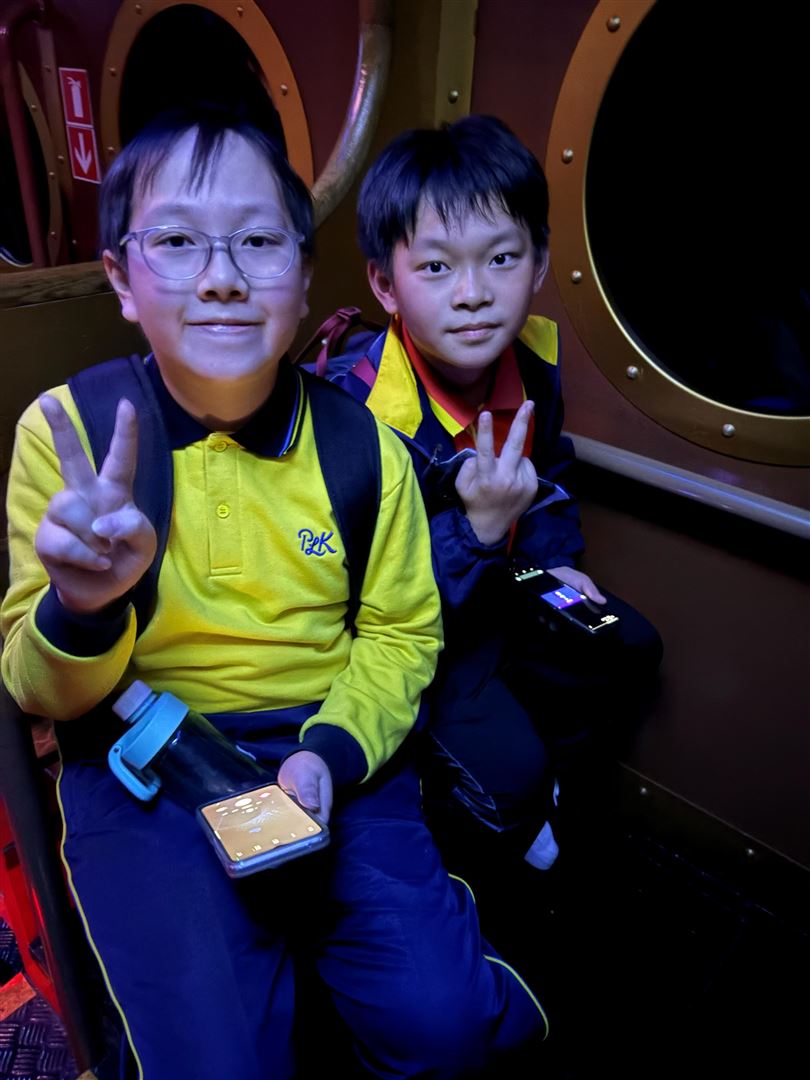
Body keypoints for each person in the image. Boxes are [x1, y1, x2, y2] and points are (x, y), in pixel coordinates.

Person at [0, 106, 548, 1079]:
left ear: (303, 278)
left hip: (329, 748)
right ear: (122, 280)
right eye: (177, 243)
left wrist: (329, 756)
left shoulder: (364, 449)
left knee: (447, 1028)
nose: (222, 276)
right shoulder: (69, 433)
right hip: (142, 762)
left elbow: (401, 634)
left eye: (258, 242)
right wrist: (83, 607)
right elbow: (39, 691)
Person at [326, 115, 662, 873]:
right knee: (509, 784)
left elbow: (550, 473)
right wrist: (475, 530)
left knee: (628, 644)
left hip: (505, 592)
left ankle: (538, 771)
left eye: (502, 258)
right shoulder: (355, 418)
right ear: (384, 284)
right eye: (435, 267)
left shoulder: (535, 364)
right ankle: (491, 799)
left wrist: (555, 555)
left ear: (539, 263)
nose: (473, 294)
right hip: (418, 639)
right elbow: (358, 610)